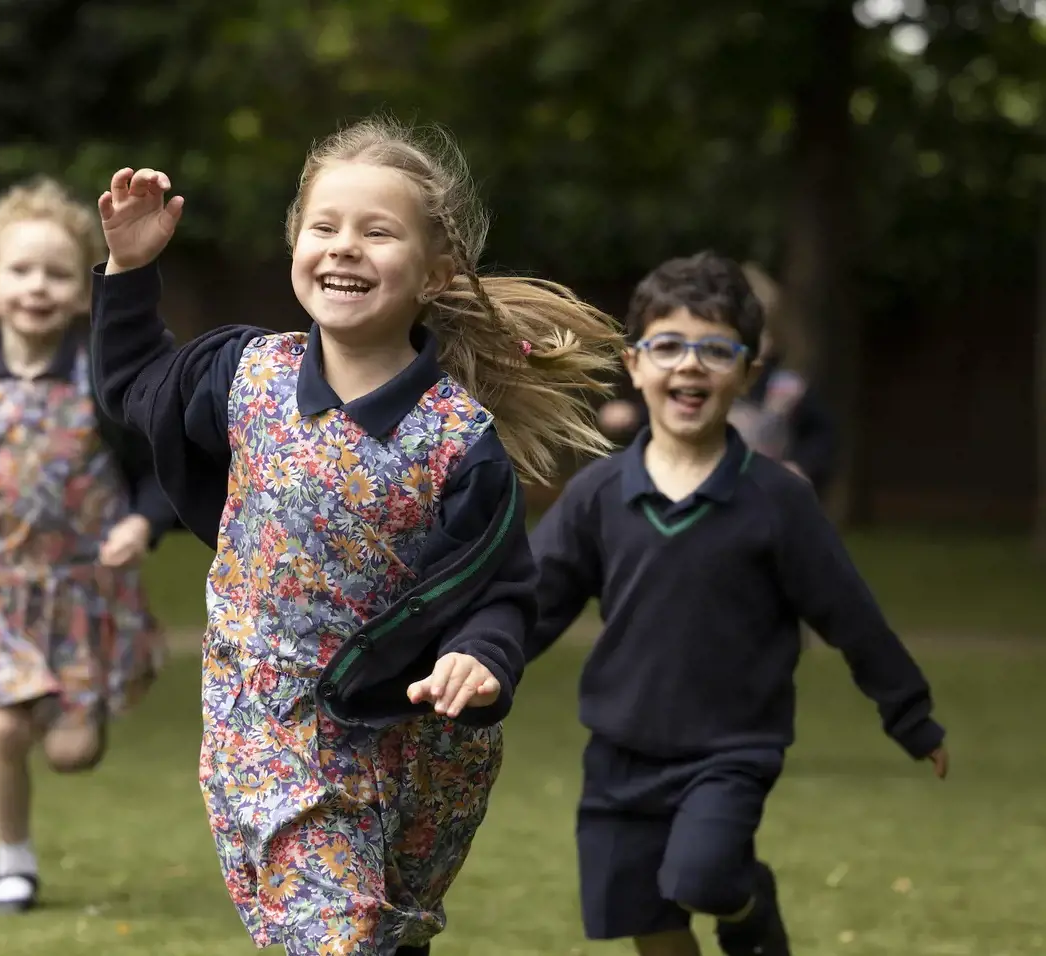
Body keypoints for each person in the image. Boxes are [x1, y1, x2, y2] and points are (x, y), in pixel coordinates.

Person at [87, 117, 626, 955]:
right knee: (334, 936)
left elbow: (501, 588)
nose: (345, 248)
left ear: (435, 271)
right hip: (270, 727)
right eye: (325, 226)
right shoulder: (245, 376)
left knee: (385, 937)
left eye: (378, 232)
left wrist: (481, 656)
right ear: (296, 243)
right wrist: (130, 268)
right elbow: (134, 386)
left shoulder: (458, 439)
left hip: (420, 751)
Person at [525, 251, 948, 956]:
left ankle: (752, 901)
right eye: (667, 346)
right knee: (651, 924)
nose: (689, 366)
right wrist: (468, 669)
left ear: (749, 372)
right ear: (634, 364)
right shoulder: (597, 495)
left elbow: (851, 616)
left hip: (729, 752)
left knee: (704, 877)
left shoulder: (778, 502)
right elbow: (529, 605)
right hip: (619, 753)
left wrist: (911, 716)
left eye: (715, 350)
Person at [0, 177, 176, 914]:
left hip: (88, 590)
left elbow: (155, 474)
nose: (39, 286)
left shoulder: (100, 382)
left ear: (80, 293)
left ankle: (88, 698)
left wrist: (141, 523)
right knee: (1, 725)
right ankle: (13, 863)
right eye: (22, 270)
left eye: (58, 273)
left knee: (72, 753)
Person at [596, 263, 837, 495]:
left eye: (753, 336)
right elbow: (667, 413)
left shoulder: (788, 389)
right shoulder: (600, 491)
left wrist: (802, 466)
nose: (693, 364)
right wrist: (633, 415)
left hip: (764, 496)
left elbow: (822, 437)